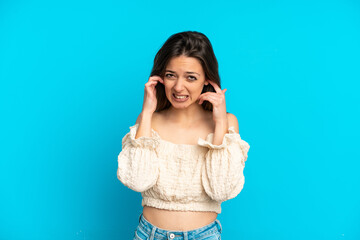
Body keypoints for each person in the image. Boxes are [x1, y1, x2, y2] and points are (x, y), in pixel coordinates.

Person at [117, 31, 250, 240]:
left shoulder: (226, 123)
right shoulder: (149, 119)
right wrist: (147, 111)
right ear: (160, 77)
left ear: (207, 79)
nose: (179, 87)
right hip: (148, 234)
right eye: (171, 75)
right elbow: (137, 181)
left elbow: (221, 190)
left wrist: (220, 122)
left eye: (191, 77)